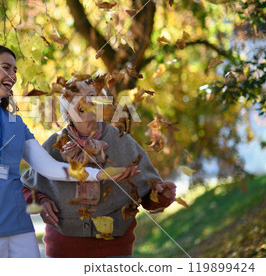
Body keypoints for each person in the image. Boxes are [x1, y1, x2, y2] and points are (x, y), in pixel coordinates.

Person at [0, 45, 132, 258]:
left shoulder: (15, 123)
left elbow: (49, 167)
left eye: (15, 70)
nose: (13, 75)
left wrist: (97, 174)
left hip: (18, 222)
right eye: (6, 67)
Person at [21, 79, 177, 258]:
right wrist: (41, 201)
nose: (84, 101)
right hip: (62, 251)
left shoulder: (123, 141)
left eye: (91, 96)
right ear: (66, 111)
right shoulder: (53, 144)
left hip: (114, 252)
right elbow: (26, 186)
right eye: (75, 98)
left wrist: (160, 194)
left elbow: (148, 196)